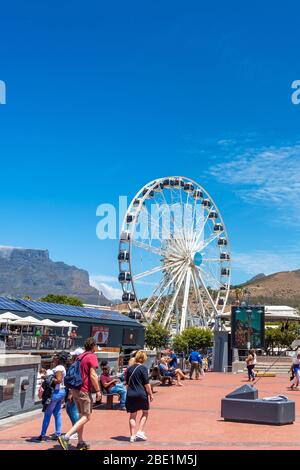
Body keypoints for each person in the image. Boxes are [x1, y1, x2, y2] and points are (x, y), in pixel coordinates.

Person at [58, 338, 101, 451]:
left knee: (81, 416)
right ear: (93, 346)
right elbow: (92, 375)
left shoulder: (79, 357)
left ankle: (80, 442)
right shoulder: (91, 356)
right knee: (87, 416)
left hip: (75, 389)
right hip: (84, 390)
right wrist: (98, 391)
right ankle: (66, 437)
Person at [37, 350, 69, 441]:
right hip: (61, 392)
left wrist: (47, 378)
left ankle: (42, 435)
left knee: (47, 414)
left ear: (59, 358)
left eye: (55, 356)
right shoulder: (62, 367)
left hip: (55, 392)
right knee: (57, 413)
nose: (54, 357)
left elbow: (58, 380)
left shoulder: (59, 368)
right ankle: (57, 433)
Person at [125, 350, 153, 443]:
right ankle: (140, 431)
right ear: (144, 359)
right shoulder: (143, 368)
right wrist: (151, 394)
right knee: (145, 412)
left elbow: (127, 384)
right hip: (141, 394)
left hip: (131, 394)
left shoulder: (129, 368)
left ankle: (132, 436)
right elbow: (146, 384)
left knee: (132, 415)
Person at [65, 348, 84, 439]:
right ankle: (75, 429)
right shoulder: (80, 365)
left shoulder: (77, 365)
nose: (72, 356)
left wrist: (70, 392)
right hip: (76, 390)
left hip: (74, 390)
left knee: (73, 410)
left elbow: (74, 379)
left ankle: (76, 431)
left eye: (74, 355)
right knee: (70, 410)